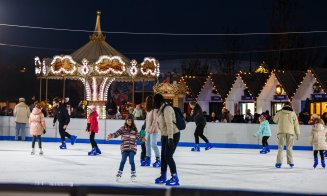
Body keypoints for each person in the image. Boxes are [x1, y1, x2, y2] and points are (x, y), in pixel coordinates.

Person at [154, 93, 180, 186]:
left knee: (168, 155)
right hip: (165, 135)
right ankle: (163, 176)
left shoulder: (167, 109)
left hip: (173, 135)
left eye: (155, 101)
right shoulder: (160, 110)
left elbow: (170, 124)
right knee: (163, 156)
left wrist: (170, 139)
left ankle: (175, 177)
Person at [106, 114, 142, 182]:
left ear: (132, 121)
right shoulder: (122, 128)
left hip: (132, 147)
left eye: (131, 121)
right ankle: (119, 173)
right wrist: (111, 135)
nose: (129, 122)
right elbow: (116, 133)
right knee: (123, 161)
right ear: (126, 121)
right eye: (128, 120)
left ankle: (133, 174)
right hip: (124, 147)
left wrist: (142, 138)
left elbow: (138, 136)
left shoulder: (134, 129)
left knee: (131, 161)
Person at [273, 102, 300, 168]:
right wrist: (298, 134)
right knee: (289, 148)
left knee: (280, 148)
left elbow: (274, 121)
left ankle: (278, 163)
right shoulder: (293, 114)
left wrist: (276, 115)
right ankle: (291, 163)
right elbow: (296, 125)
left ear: (284, 106)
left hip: (281, 132)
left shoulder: (279, 113)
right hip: (290, 133)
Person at [144, 95, 161, 167]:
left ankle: (158, 160)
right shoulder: (148, 110)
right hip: (147, 130)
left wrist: (151, 129)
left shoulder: (155, 110)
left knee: (153, 144)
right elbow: (147, 121)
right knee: (146, 144)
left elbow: (155, 120)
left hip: (154, 131)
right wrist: (144, 130)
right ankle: (148, 159)